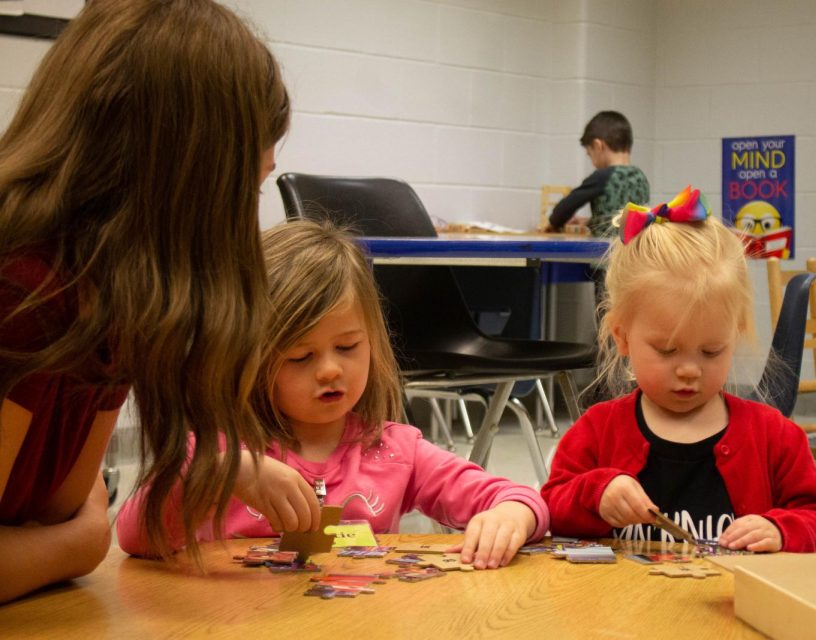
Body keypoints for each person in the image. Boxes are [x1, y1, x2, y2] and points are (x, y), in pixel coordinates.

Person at [0, 0, 290, 602]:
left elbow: (60, 509)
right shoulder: (22, 288)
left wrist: (73, 539)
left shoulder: (106, 300)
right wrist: (79, 544)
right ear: (187, 177)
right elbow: (77, 533)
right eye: (247, 188)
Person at [117, 220, 549, 569]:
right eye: (300, 356)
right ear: (247, 359)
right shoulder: (218, 452)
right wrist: (224, 470)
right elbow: (135, 534)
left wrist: (510, 516)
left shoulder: (396, 450)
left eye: (347, 347)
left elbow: (517, 497)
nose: (329, 369)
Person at [541, 187, 816, 553]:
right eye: (667, 350)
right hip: (623, 607)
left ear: (736, 334)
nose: (689, 371)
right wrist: (596, 493)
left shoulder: (775, 437)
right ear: (622, 336)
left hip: (729, 606)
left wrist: (780, 529)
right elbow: (552, 506)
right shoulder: (598, 431)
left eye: (711, 351)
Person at [541, 110, 650, 237]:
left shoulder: (603, 177)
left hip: (606, 252)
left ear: (598, 146)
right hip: (635, 251)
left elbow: (564, 208)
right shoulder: (640, 177)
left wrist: (554, 223)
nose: (593, 163)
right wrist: (590, 222)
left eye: (589, 154)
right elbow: (622, 219)